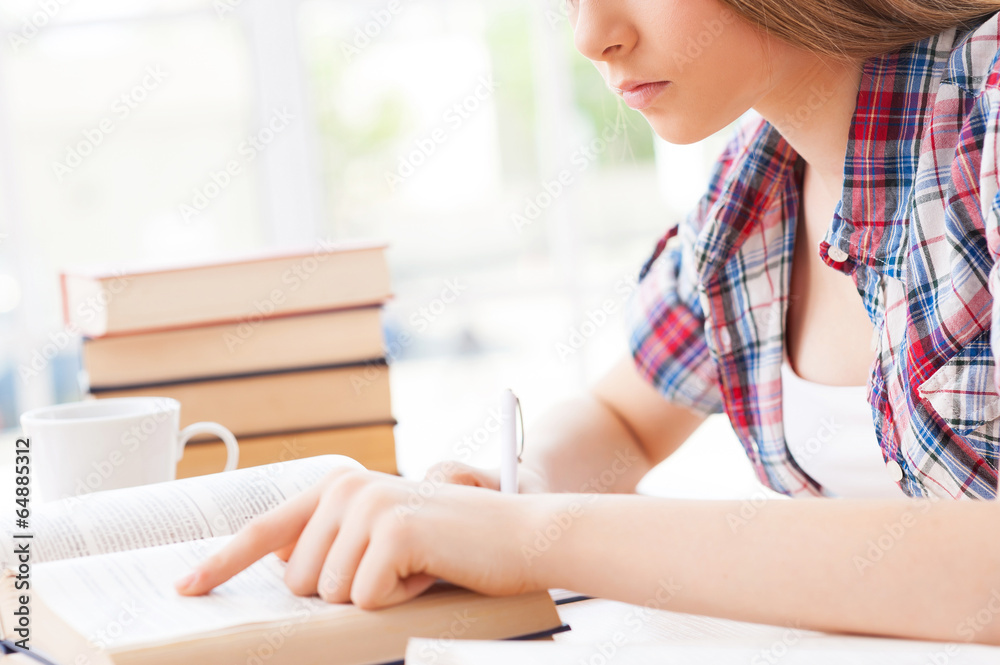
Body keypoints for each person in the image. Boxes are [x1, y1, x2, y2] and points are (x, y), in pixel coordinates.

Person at [176, 0, 1000, 644]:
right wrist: (519, 487)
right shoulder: (753, 195)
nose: (590, 36)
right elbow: (621, 419)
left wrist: (534, 536)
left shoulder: (987, 111)